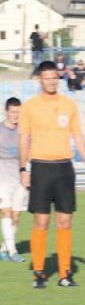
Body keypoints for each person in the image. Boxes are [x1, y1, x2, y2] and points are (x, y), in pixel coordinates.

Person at [18, 60, 85, 288]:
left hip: (64, 168)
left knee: (65, 221)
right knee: (41, 221)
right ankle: (39, 273)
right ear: (40, 80)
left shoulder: (69, 104)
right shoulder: (29, 107)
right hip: (40, 167)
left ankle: (65, 274)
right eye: (47, 78)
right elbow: (24, 139)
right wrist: (23, 169)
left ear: (58, 78)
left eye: (55, 77)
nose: (51, 81)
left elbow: (78, 136)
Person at [0, 98, 28, 263]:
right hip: (2, 179)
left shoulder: (24, 131)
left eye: (18, 112)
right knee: (7, 212)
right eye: (13, 112)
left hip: (19, 179)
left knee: (16, 216)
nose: (16, 115)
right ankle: (13, 251)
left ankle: (4, 248)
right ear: (6, 111)